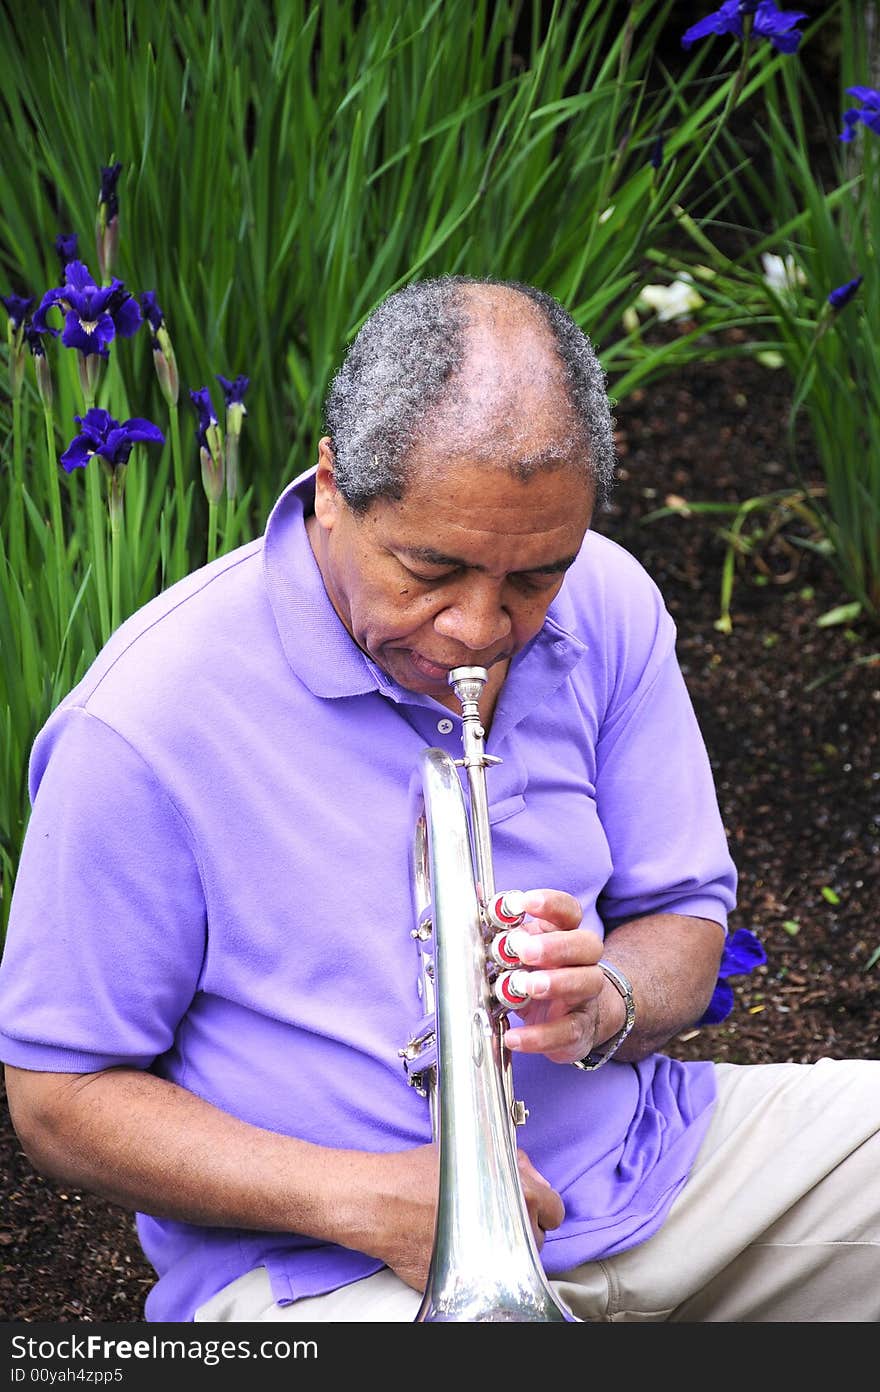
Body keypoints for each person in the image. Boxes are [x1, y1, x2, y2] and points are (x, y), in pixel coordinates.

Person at [0, 276, 877, 1325]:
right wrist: (358, 1198)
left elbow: (684, 916)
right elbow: (59, 1101)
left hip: (654, 1175)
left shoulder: (609, 597)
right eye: (431, 569)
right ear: (332, 486)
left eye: (532, 578)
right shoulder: (142, 725)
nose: (478, 630)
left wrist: (606, 1003)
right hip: (335, 1266)